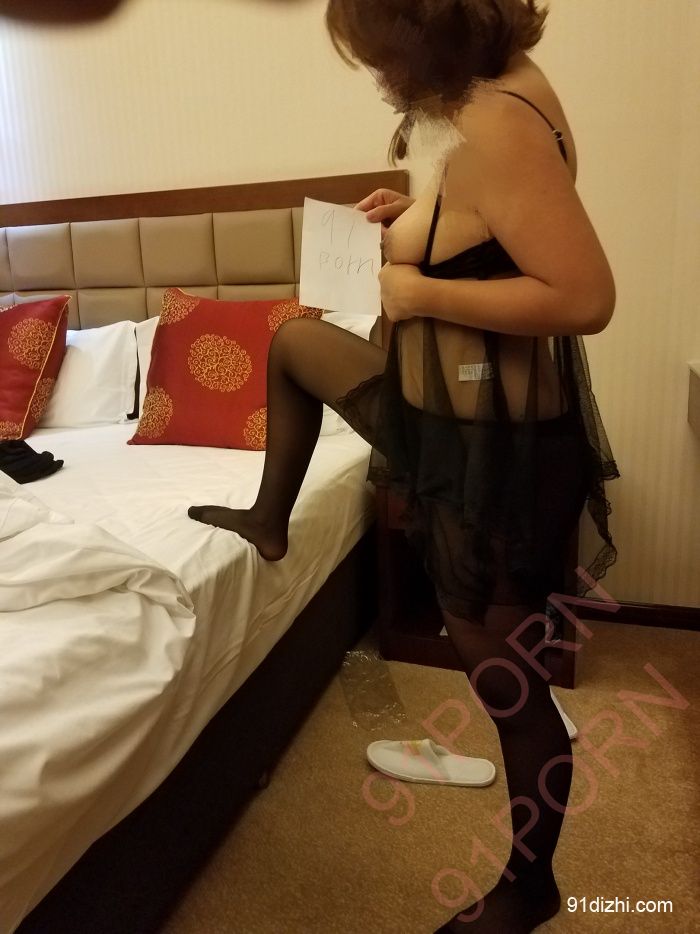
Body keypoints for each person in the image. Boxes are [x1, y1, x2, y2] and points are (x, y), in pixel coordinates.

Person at [188, 1, 620, 931]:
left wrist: (417, 286)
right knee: (295, 343)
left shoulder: (496, 120)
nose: (380, 76)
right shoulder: (499, 90)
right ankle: (269, 519)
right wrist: (411, 220)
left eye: (383, 54)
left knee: (503, 678)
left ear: (421, 33)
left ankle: (531, 886)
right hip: (429, 414)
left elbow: (585, 297)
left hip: (490, 449)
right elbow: (493, 229)